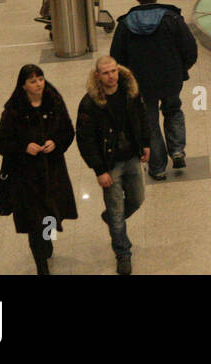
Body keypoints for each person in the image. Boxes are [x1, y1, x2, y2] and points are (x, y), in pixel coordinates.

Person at [0, 64, 78, 275]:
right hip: (26, 177)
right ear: (23, 85)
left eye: (40, 79)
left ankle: (46, 242)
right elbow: (0, 142)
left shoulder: (54, 102)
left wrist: (56, 142)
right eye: (32, 81)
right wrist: (23, 147)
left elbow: (67, 131)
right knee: (34, 223)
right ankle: (42, 266)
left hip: (52, 173)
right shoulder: (13, 110)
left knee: (50, 216)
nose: (38, 84)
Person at [109, 0, 198, 180]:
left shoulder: (125, 24)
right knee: (173, 110)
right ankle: (177, 150)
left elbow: (116, 57)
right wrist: (182, 68)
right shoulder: (172, 19)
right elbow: (190, 48)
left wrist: (125, 82)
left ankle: (157, 167)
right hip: (170, 79)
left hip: (140, 84)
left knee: (149, 122)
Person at [76, 56, 150, 275]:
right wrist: (99, 170)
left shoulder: (130, 92)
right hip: (110, 165)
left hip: (132, 157)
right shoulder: (90, 104)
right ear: (98, 76)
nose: (111, 76)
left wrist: (146, 143)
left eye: (114, 71)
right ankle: (123, 252)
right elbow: (85, 140)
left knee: (137, 199)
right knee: (117, 211)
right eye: (106, 73)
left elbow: (142, 118)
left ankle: (111, 219)